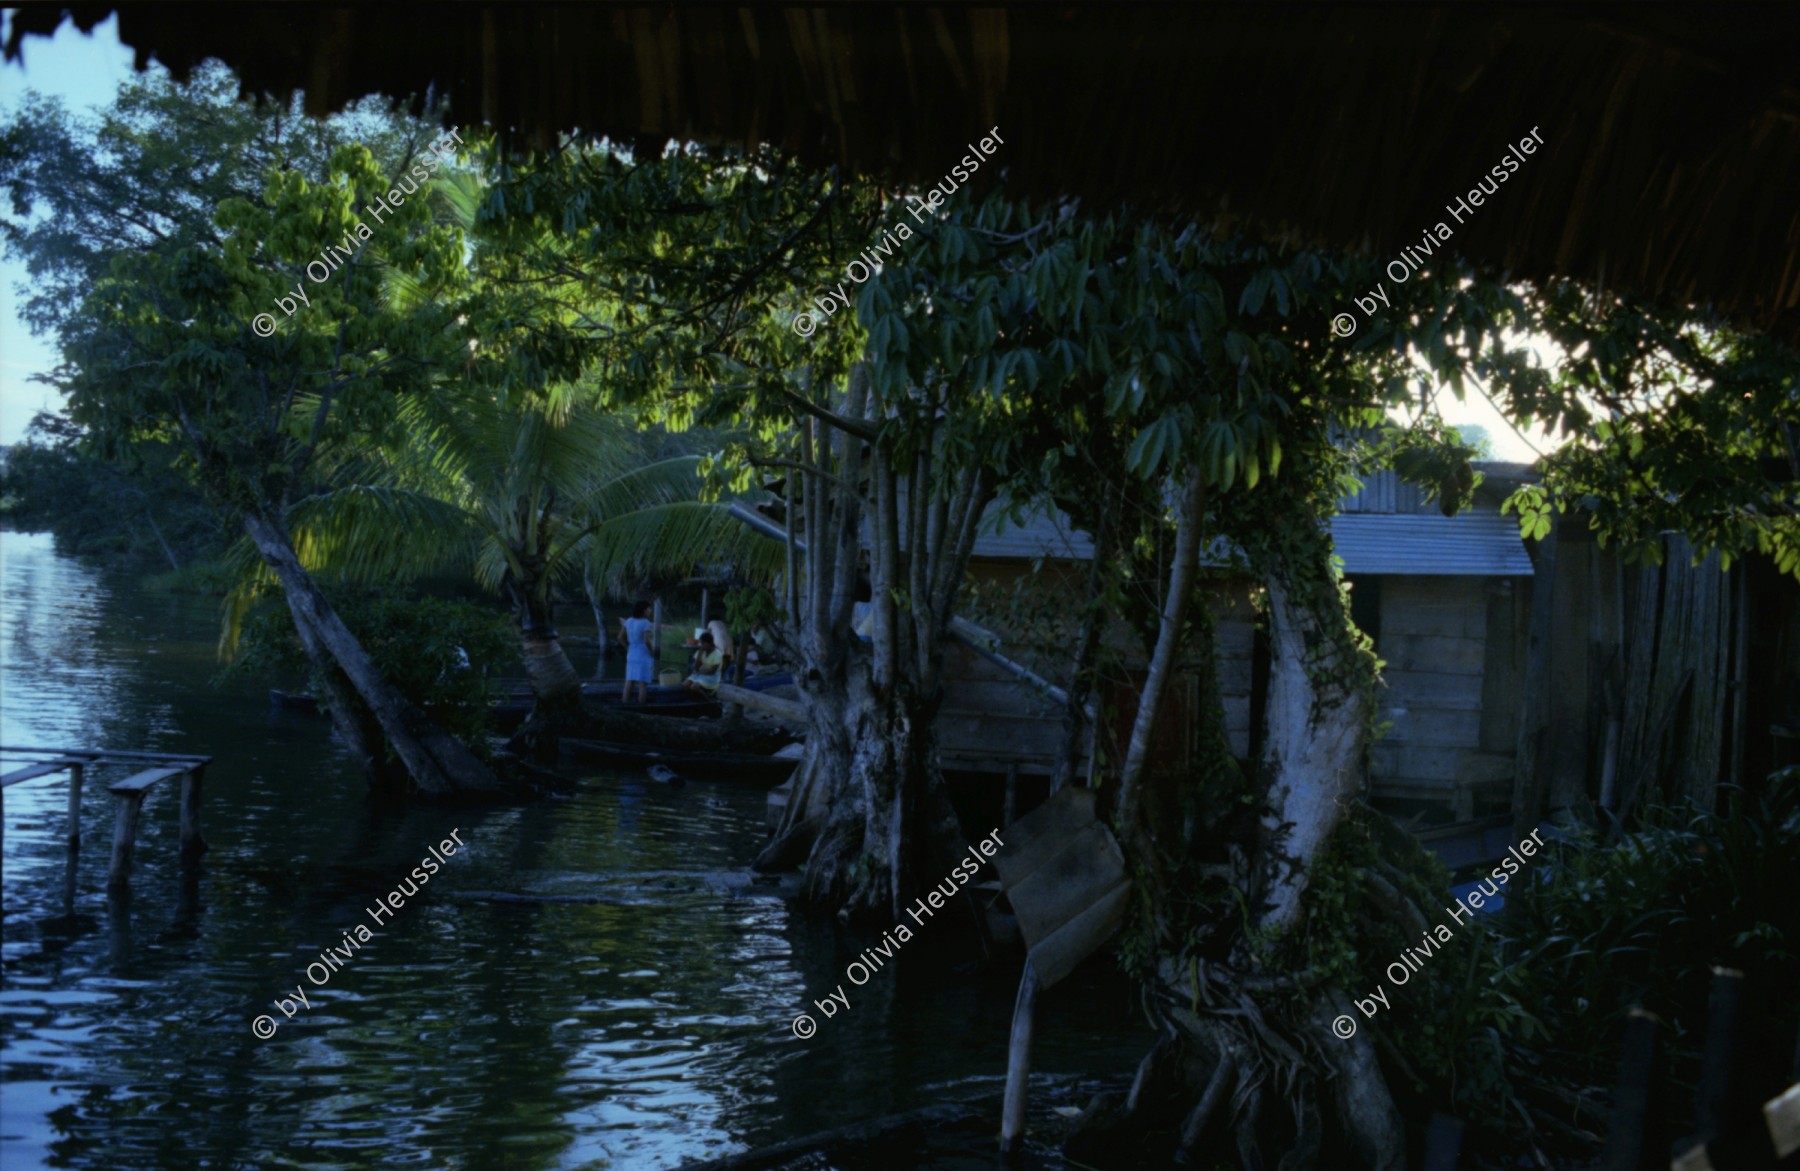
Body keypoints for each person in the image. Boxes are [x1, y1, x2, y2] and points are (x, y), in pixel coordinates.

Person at [619, 602, 655, 704]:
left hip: (631, 652)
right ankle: (641, 706)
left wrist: (627, 648)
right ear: (643, 610)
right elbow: (646, 640)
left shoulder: (629, 621)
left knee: (629, 681)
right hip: (642, 653)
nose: (650, 611)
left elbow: (620, 638)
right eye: (649, 609)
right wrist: (652, 652)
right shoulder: (645, 623)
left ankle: (624, 704)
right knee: (642, 683)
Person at [685, 631, 725, 697]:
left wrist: (699, 672)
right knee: (685, 685)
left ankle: (708, 699)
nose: (701, 645)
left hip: (712, 676)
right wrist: (699, 656)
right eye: (701, 643)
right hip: (701, 674)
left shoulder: (717, 654)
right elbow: (696, 668)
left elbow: (712, 671)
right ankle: (694, 699)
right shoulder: (701, 652)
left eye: (703, 643)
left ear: (710, 643)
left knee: (694, 687)